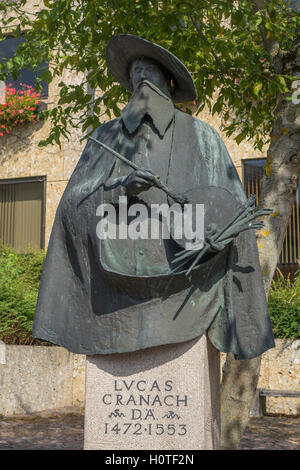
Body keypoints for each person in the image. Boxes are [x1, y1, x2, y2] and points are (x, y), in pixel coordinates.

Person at [33, 34, 275, 359]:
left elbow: (233, 214)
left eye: (150, 68)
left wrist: (216, 236)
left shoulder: (202, 136)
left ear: (170, 80)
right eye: (135, 70)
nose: (141, 74)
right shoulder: (105, 137)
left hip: (189, 285)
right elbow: (71, 208)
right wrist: (119, 189)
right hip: (113, 291)